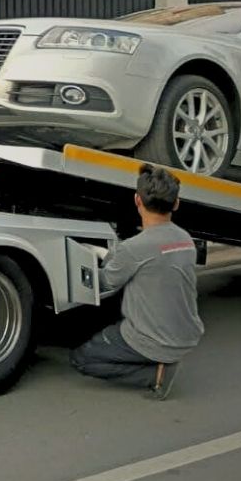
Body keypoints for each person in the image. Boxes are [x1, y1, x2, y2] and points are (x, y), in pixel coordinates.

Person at [71, 163, 204, 400]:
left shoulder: (134, 248)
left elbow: (105, 283)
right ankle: (161, 363)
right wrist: (115, 254)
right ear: (176, 203)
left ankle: (155, 376)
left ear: (137, 201)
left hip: (152, 341)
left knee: (82, 359)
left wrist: (97, 255)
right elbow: (153, 261)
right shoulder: (186, 239)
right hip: (187, 334)